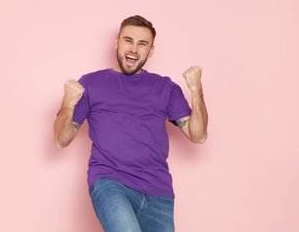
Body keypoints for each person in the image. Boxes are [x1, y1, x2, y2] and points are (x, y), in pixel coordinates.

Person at [53, 15, 208, 232]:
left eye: (142, 44)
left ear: (151, 51)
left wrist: (196, 90)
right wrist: (68, 103)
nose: (134, 49)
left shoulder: (166, 87)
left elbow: (198, 135)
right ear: (117, 42)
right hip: (111, 183)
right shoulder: (90, 83)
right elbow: (61, 140)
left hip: (158, 192)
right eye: (128, 40)